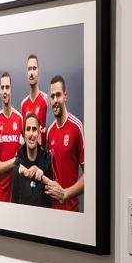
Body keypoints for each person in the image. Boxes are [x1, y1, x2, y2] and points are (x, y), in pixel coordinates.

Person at [44, 75, 85, 212]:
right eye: (52, 96)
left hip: (71, 212)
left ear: (65, 96)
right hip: (51, 212)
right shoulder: (49, 132)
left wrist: (66, 194)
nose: (55, 100)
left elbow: (90, 174)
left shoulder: (76, 127)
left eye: (58, 95)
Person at [0, 72, 23, 202]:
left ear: (11, 90)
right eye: (2, 88)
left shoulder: (19, 119)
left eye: (7, 87)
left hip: (15, 190)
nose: (5, 91)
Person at [11, 112, 54, 207]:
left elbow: (52, 195)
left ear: (39, 131)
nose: (31, 134)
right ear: (23, 133)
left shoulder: (46, 158)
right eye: (28, 129)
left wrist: (41, 175)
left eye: (34, 129)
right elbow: (14, 201)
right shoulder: (18, 161)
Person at [20, 55, 48, 144]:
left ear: (38, 71)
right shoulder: (23, 104)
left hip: (43, 154)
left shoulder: (46, 99)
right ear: (26, 73)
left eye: (34, 68)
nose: (31, 72)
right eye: (29, 69)